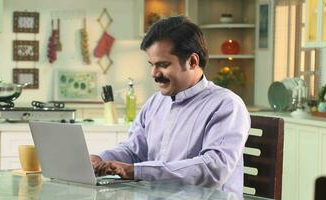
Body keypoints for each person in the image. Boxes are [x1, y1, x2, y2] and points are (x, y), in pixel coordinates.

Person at [90, 16, 250, 196]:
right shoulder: (155, 103)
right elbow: (134, 150)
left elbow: (213, 169)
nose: (154, 73)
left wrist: (134, 171)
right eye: (152, 65)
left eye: (163, 65)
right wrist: (101, 159)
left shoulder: (226, 105)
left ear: (192, 62)